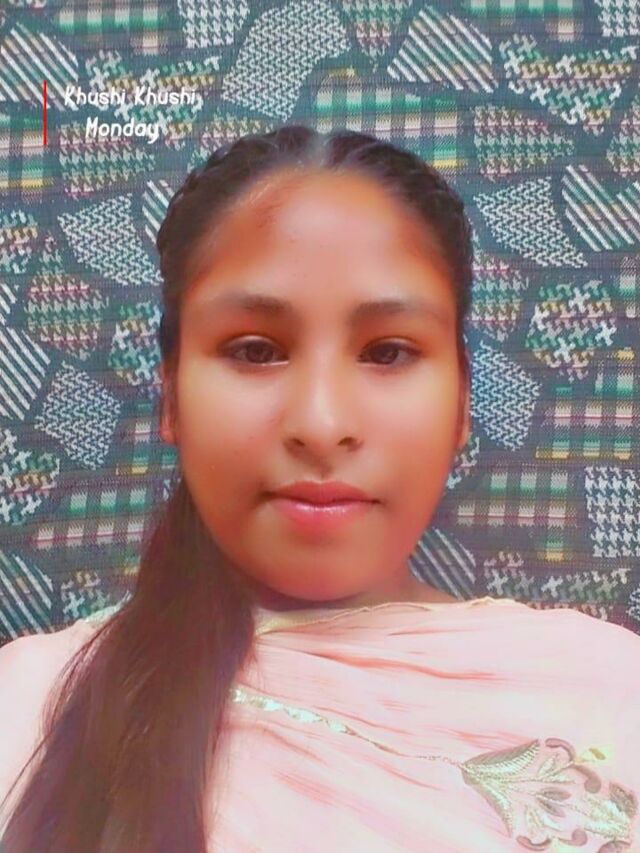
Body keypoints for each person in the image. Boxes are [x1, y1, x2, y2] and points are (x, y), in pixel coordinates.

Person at [0, 124, 638, 852]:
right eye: (255, 351)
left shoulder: (608, 689)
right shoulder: (26, 712)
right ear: (170, 395)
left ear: (464, 401)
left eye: (388, 352)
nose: (321, 423)